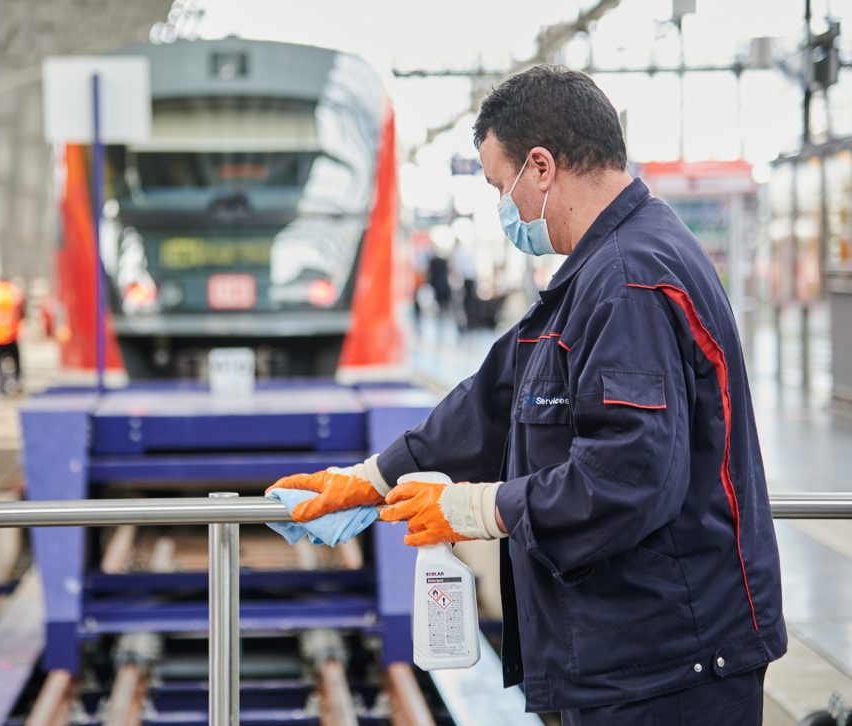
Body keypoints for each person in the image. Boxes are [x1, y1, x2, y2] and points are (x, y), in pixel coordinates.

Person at [267, 65, 785, 724]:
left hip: (667, 668)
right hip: (628, 656)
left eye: (497, 185)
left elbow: (630, 478)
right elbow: (497, 397)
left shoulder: (629, 283)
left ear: (540, 168)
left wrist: (482, 508)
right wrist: (371, 478)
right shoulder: (596, 274)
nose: (502, 207)